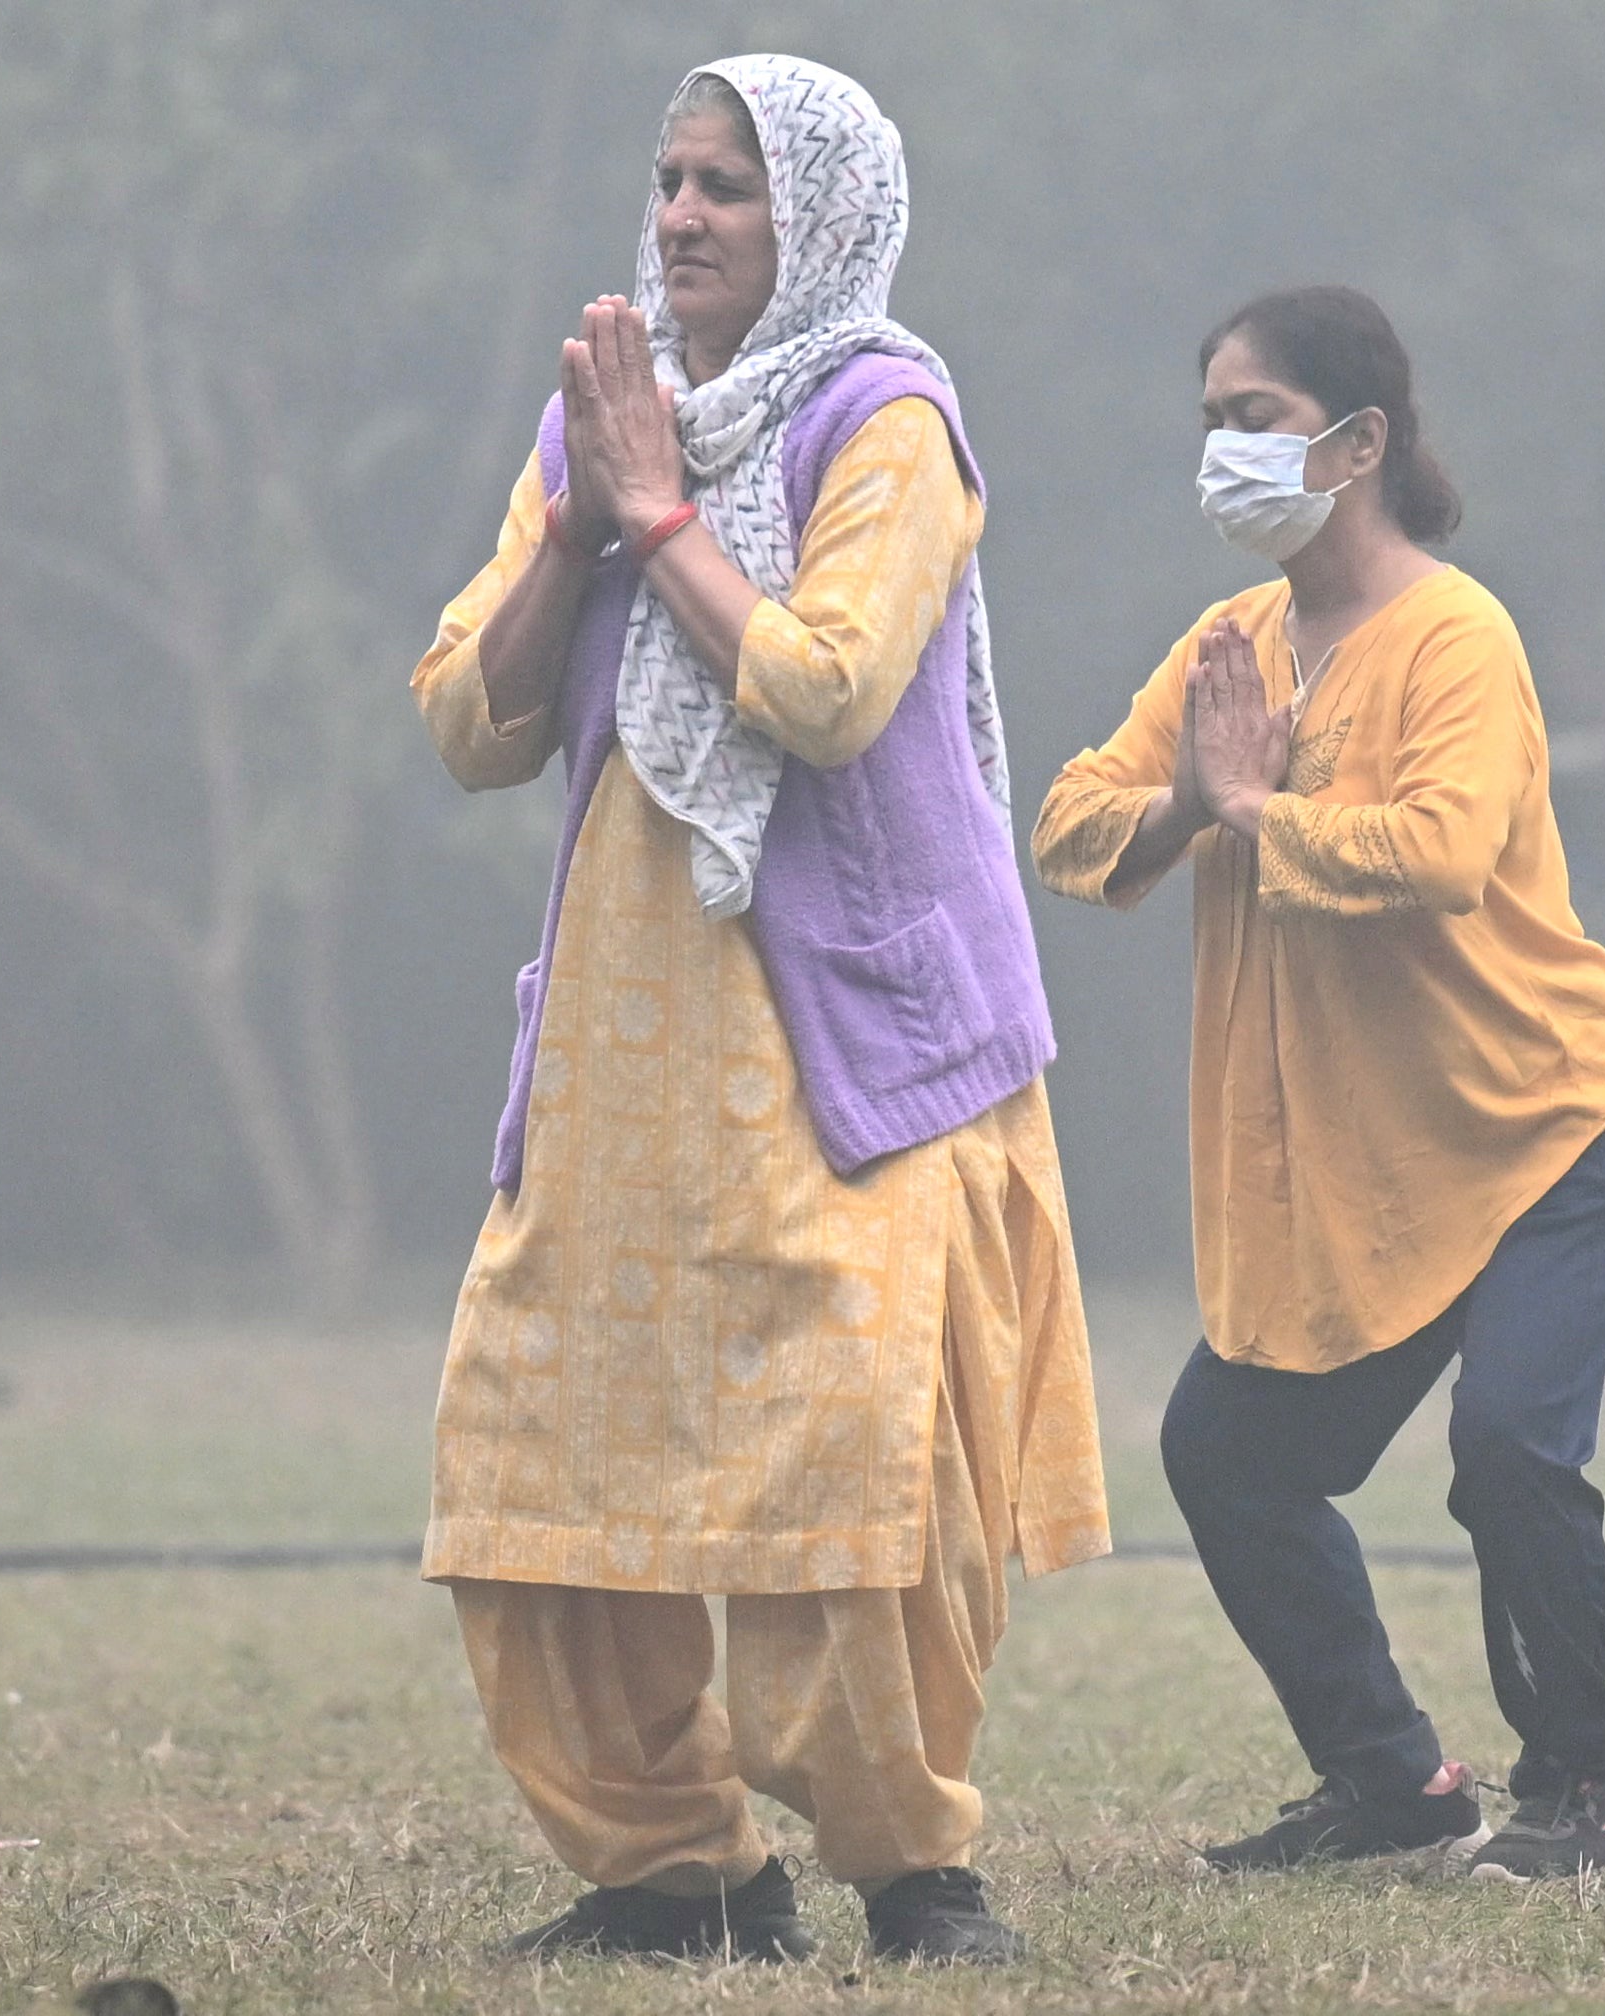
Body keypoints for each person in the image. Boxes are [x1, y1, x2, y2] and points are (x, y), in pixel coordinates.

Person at [410, 56, 1106, 1966]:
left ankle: (917, 1873)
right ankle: (672, 1877)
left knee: (852, 1469)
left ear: (827, 222)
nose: (686, 216)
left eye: (732, 186)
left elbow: (822, 693)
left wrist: (663, 512)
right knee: (537, 1464)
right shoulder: (604, 427)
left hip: (851, 1052)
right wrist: (583, 518)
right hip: (621, 1061)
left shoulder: (891, 423)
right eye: (671, 178)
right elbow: (473, 721)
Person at [1032, 286, 1605, 1882]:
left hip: (1552, 1124)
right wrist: (1198, 796)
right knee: (1230, 1454)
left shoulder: (1458, 633)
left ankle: (1583, 1798)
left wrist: (1247, 805)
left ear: (1361, 439)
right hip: (1378, 1166)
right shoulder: (1228, 646)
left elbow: (1444, 856)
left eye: (1250, 419)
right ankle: (1396, 1788)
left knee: (1513, 1448)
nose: (1222, 453)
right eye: (1209, 426)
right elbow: (1067, 826)